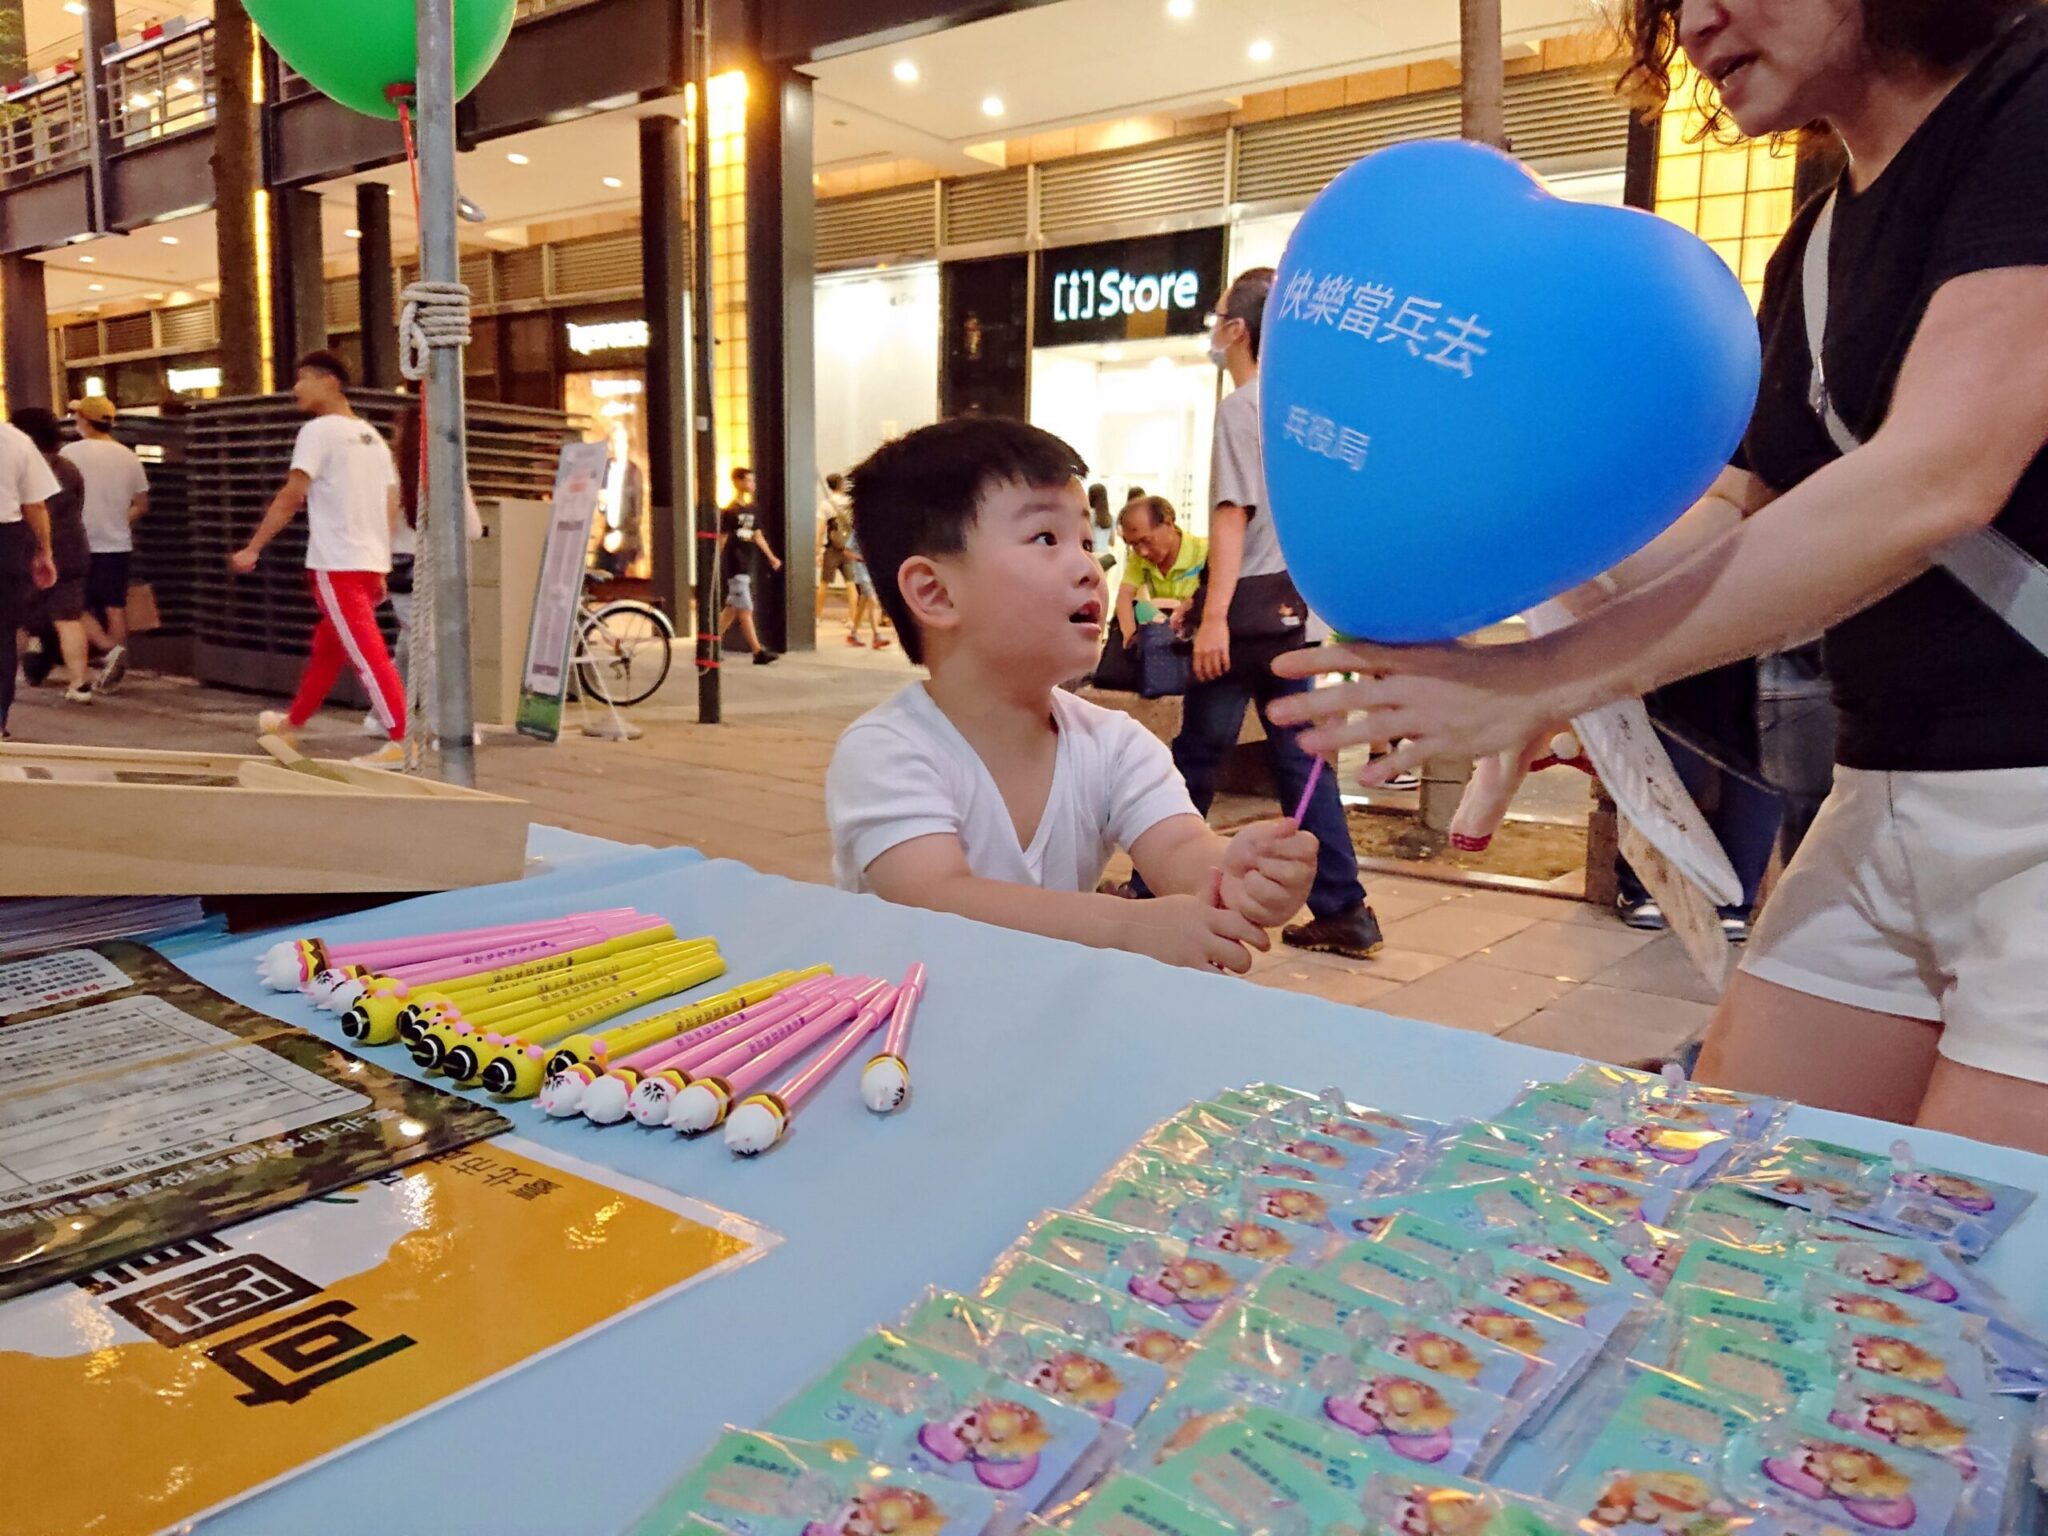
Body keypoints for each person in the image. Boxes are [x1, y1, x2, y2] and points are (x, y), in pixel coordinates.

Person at [1269, 0, 2048, 1152]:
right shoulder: (1817, 242)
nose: (1694, 22)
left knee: (1962, 1282)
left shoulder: (2025, 103)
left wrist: (1546, 676)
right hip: (1876, 787)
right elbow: (1751, 513)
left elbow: (1934, 475)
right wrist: (1498, 624)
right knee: (1755, 1205)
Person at [826, 417, 1318, 973]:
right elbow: (935, 897)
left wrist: (1239, 872)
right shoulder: (887, 750)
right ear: (936, 593)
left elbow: (1180, 849)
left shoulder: (1113, 743)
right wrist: (1126, 927)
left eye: (1086, 540)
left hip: (1050, 1021)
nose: (1089, 566)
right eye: (1046, 538)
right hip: (902, 1037)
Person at [1161, 266, 1384, 960]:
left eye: (1218, 315)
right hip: (1296, 614)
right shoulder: (1305, 413)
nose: (1212, 329)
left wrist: (1213, 616)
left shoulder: (1243, 407)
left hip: (1248, 612)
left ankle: (1154, 882)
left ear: (1237, 330)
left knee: (1197, 752)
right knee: (1299, 761)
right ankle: (1346, 908)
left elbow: (1233, 517)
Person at [228, 351, 406, 769]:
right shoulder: (371, 437)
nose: (296, 388)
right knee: (329, 648)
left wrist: (253, 546)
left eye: (304, 378)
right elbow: (391, 501)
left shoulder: (317, 431)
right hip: (367, 563)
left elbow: (293, 494)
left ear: (331, 381)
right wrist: (381, 558)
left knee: (366, 654)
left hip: (337, 563)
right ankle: (292, 724)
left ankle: (401, 738)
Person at [366, 405, 484, 735]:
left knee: (412, 643)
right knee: (429, 646)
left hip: (401, 569)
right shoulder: (448, 470)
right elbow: (472, 528)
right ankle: (442, 725)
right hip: (439, 568)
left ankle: (382, 713)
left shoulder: (390, 471)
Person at [62, 394, 148, 693]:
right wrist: (118, 520)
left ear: (84, 420)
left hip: (79, 541)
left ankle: (109, 651)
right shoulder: (128, 456)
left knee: (72, 605)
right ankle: (116, 661)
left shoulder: (69, 453)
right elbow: (141, 503)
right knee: (115, 605)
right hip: (118, 543)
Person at [10, 408, 93, 703]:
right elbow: (78, 505)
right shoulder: (68, 467)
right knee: (68, 617)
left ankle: (9, 677)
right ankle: (79, 683)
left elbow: (25, 510)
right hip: (73, 549)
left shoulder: (24, 466)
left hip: (35, 551)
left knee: (15, 617)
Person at [0, 417, 60, 741]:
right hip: (5, 540)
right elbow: (35, 505)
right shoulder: (15, 440)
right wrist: (45, 552)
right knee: (2, 633)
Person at [1114, 494, 1207, 646]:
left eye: (1146, 541)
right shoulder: (1139, 559)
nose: (1142, 551)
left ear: (1168, 523)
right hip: (1162, 632)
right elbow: (1124, 596)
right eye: (1134, 545)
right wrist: (1130, 637)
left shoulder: (1204, 553)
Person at [718, 466, 782, 665]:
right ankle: (757, 651)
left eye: (752, 481)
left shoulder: (751, 510)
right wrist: (716, 561)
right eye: (748, 481)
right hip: (735, 564)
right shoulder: (730, 512)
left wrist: (771, 557)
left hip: (746, 564)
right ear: (737, 482)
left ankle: (709, 646)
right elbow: (723, 538)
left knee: (731, 609)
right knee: (745, 608)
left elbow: (757, 535)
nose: (751, 485)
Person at [816, 472, 857, 629]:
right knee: (850, 583)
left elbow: (820, 530)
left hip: (832, 549)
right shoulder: (849, 503)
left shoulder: (826, 504)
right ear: (841, 485)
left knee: (824, 583)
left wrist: (818, 551)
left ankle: (818, 617)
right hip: (848, 548)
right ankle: (852, 619)